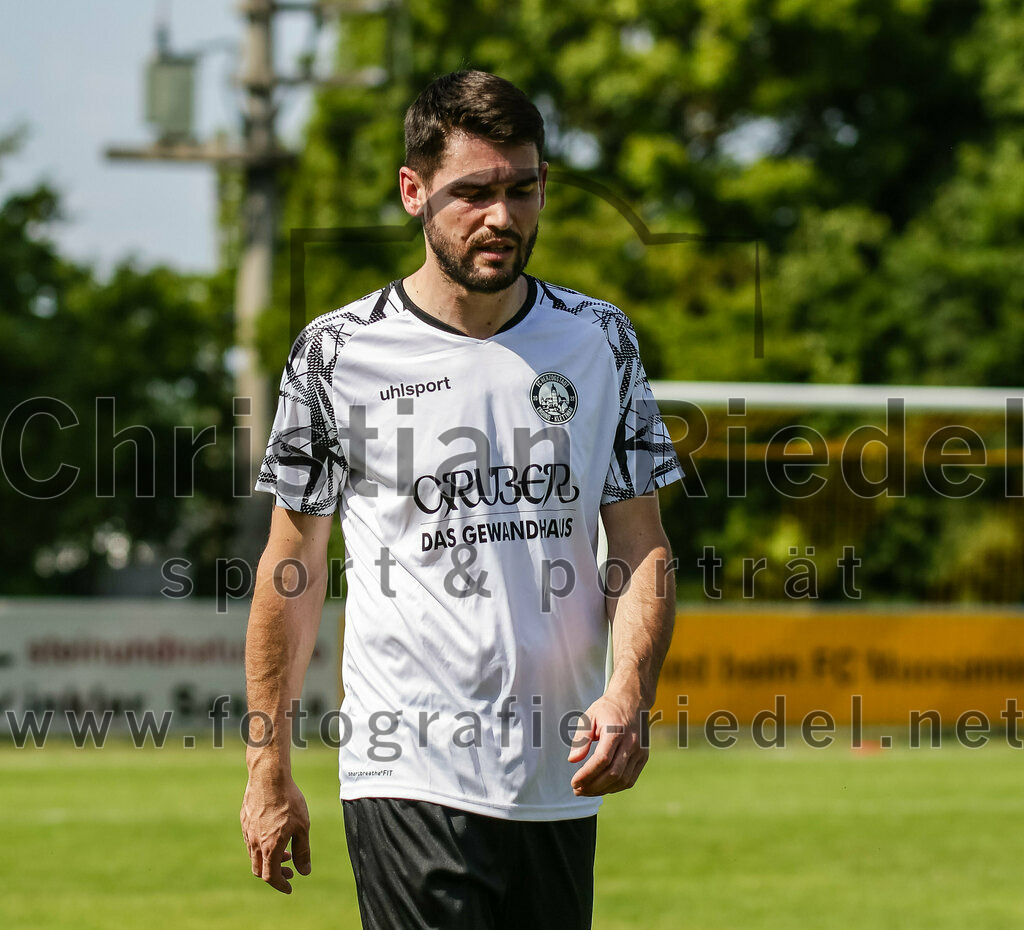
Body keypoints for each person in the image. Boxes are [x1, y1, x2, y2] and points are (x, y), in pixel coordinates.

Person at [240, 69, 684, 929]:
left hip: (560, 774)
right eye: (473, 192)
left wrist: (628, 691)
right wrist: (268, 767)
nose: (502, 217)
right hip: (407, 770)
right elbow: (290, 567)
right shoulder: (337, 353)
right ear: (413, 192)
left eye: (524, 189)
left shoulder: (601, 340)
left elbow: (640, 545)